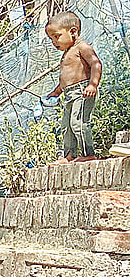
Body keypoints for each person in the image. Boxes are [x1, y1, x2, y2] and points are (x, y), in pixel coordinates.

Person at [44, 11, 102, 164]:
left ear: (73, 32)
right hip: (69, 94)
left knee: (78, 123)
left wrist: (92, 84)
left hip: (83, 91)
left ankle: (88, 153)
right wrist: (57, 91)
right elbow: (66, 78)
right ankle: (69, 155)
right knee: (66, 125)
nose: (54, 42)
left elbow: (96, 64)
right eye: (51, 39)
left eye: (57, 36)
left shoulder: (82, 47)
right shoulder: (67, 52)